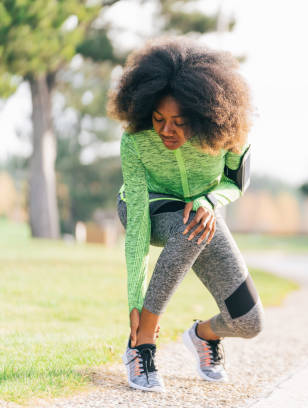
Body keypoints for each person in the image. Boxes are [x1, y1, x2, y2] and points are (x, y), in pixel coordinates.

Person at [106, 37, 263, 392]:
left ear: (203, 114)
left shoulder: (229, 134)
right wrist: (135, 301)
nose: (165, 131)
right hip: (142, 207)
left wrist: (211, 200)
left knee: (249, 322)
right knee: (187, 225)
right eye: (158, 119)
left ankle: (203, 336)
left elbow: (235, 183)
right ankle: (141, 344)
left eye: (178, 122)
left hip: (201, 211)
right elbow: (137, 230)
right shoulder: (136, 140)